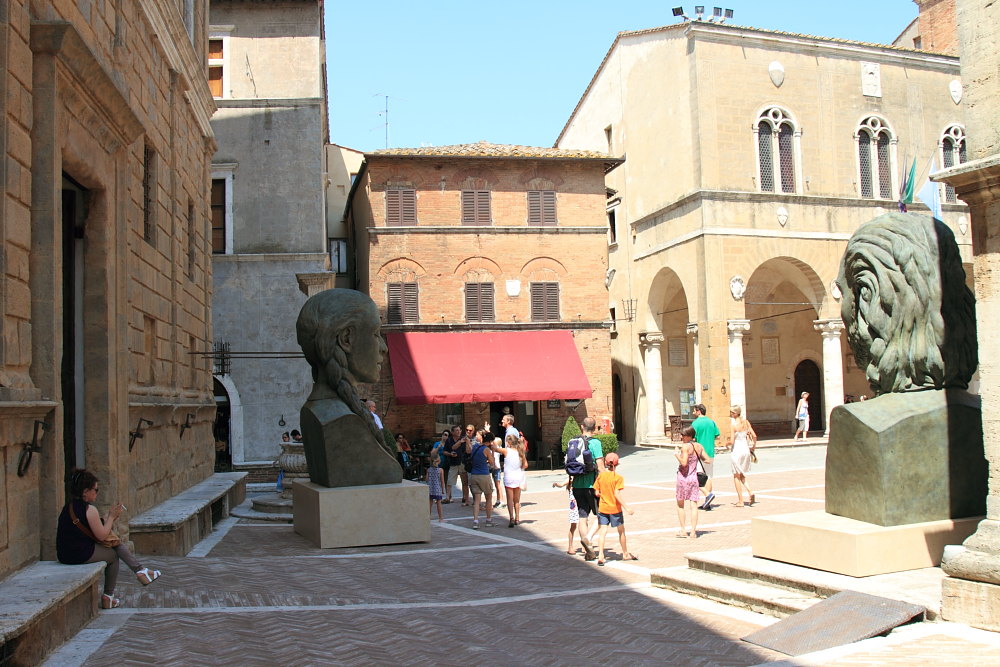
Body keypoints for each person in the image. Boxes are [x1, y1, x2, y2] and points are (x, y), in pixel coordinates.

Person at [295, 289, 400, 487]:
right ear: (346, 339)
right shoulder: (340, 420)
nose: (384, 347)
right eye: (376, 334)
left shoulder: (315, 411)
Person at [57, 469, 162, 609]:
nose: (97, 493)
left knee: (114, 544)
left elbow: (90, 526)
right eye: (95, 490)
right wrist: (111, 518)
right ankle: (109, 595)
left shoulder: (68, 507)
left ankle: (140, 571)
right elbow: (101, 535)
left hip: (64, 553)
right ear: (85, 491)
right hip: (78, 554)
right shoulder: (89, 509)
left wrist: (107, 519)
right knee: (113, 556)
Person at [592, 452, 636, 565]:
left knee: (603, 531)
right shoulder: (618, 478)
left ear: (606, 463)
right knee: (621, 531)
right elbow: (617, 494)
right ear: (616, 464)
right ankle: (625, 553)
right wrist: (627, 507)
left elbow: (596, 492)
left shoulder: (601, 476)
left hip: (603, 508)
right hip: (615, 509)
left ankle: (601, 555)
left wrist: (602, 495)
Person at [571, 417, 605, 560]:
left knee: (582, 517)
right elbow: (601, 467)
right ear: (594, 428)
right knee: (602, 516)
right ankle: (588, 538)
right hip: (592, 485)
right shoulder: (595, 443)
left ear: (582, 427)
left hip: (577, 485)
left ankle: (588, 550)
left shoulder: (575, 441)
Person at [675, 426, 710, 538]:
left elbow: (684, 463)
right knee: (693, 505)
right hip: (694, 477)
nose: (681, 437)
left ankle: (683, 530)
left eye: (683, 435)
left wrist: (677, 455)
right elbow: (708, 460)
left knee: (680, 505)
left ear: (689, 436)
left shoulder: (685, 447)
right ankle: (693, 532)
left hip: (683, 477)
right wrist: (696, 460)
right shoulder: (699, 446)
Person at [691, 404, 720, 510]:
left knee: (697, 477)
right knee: (708, 477)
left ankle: (707, 495)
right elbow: (718, 435)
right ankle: (707, 500)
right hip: (710, 452)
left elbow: (692, 438)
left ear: (699, 411)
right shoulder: (711, 422)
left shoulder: (695, 423)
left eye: (694, 411)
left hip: (699, 453)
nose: (693, 412)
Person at [465, 429, 495, 529]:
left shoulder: (475, 447)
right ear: (489, 441)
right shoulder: (486, 450)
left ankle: (475, 521)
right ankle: (488, 520)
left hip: (474, 474)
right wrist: (492, 452)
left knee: (477, 500)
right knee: (488, 498)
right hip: (484, 475)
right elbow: (492, 463)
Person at [728, 405, 757, 507]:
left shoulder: (733, 425)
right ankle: (750, 491)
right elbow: (754, 436)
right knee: (741, 474)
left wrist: (727, 443)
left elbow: (732, 441)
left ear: (735, 413)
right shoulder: (746, 422)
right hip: (745, 449)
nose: (730, 414)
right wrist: (753, 446)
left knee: (736, 475)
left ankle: (741, 500)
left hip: (737, 450)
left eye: (731, 412)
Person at [497, 433, 527, 527]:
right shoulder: (520, 451)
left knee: (509, 499)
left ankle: (511, 518)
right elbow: (525, 465)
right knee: (517, 500)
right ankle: (517, 518)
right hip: (518, 477)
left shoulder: (506, 451)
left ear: (508, 443)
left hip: (509, 477)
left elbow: (494, 448)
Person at [551, 475, 580, 554]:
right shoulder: (571, 479)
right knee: (573, 526)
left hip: (581, 504)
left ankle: (584, 546)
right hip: (574, 506)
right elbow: (562, 484)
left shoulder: (580, 478)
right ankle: (570, 546)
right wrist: (556, 484)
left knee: (583, 524)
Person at [442, 425, 470, 505]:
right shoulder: (449, 440)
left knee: (464, 481)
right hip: (453, 462)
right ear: (452, 432)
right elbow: (445, 451)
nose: (459, 432)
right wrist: (450, 454)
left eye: (459, 430)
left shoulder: (464, 439)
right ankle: (448, 497)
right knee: (450, 481)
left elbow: (467, 450)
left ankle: (465, 497)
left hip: (462, 462)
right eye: (456, 430)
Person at [426, 452, 445, 521]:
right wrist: (443, 489)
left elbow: (426, 479)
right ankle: (440, 518)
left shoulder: (429, 469)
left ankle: (428, 517)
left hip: (430, 488)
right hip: (437, 488)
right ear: (438, 460)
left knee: (430, 503)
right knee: (439, 502)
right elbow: (442, 481)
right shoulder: (440, 470)